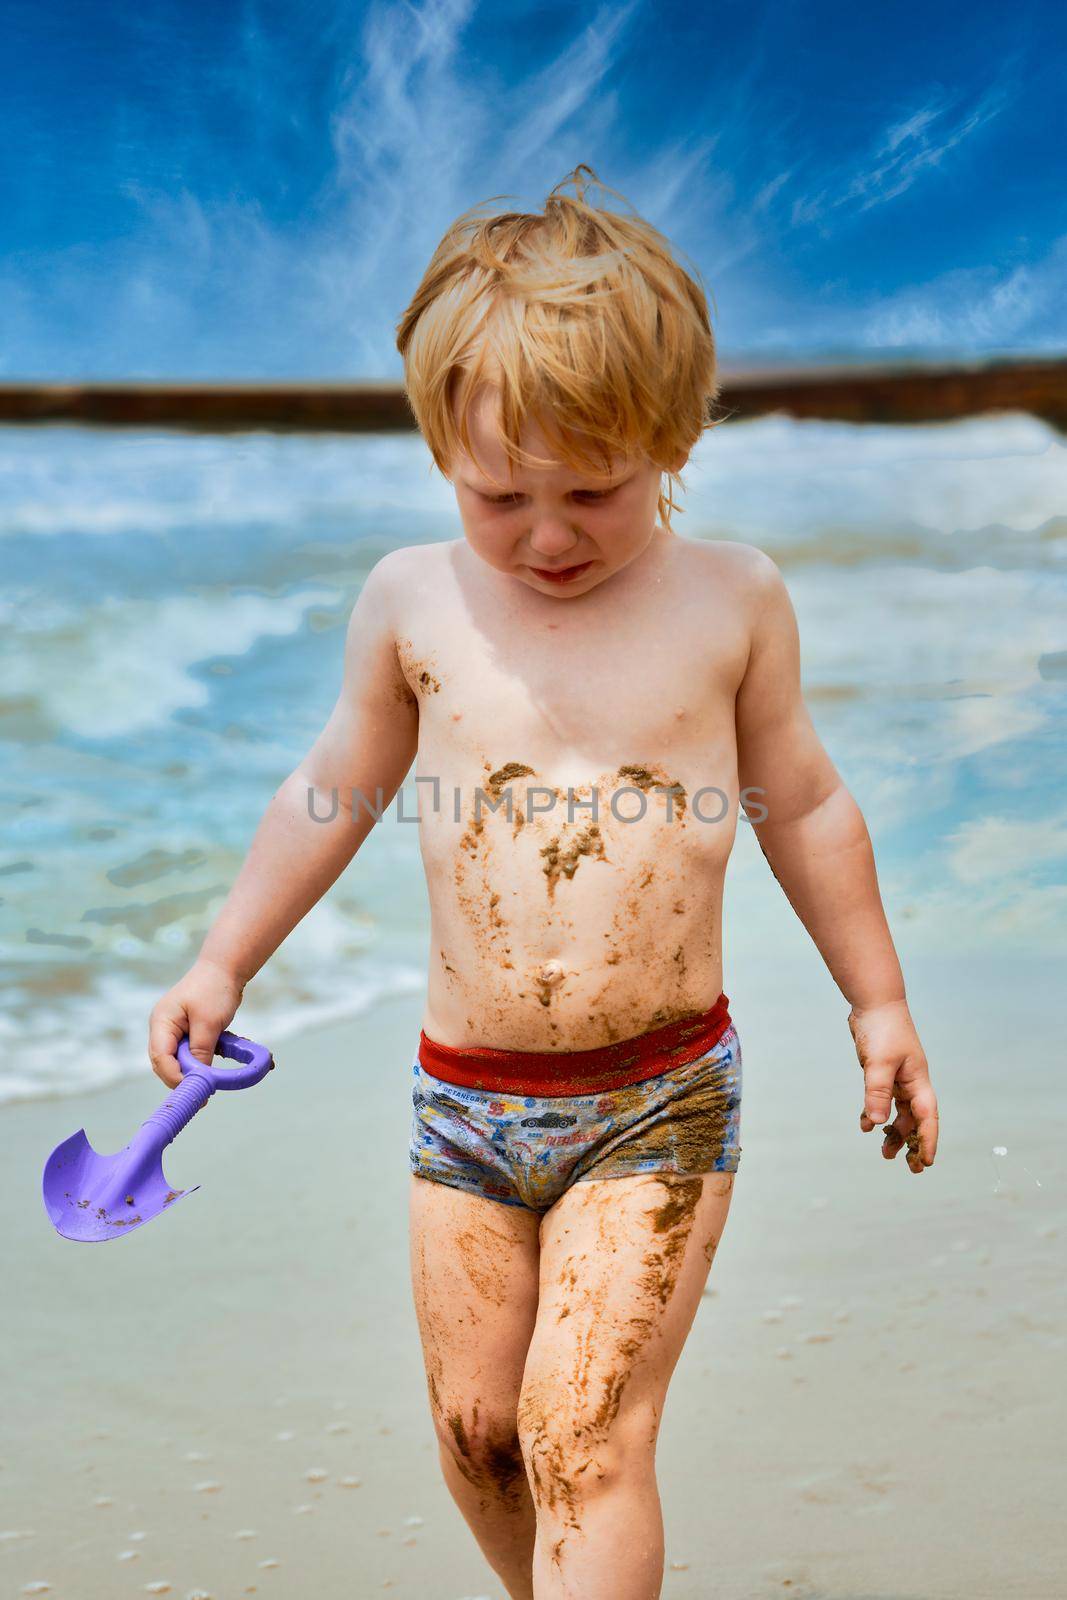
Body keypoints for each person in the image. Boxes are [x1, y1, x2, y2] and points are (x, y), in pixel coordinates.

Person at [149, 164, 939, 1600]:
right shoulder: (412, 600)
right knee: (481, 1437)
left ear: (675, 443)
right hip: (465, 1100)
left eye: (598, 491)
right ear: (442, 450)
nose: (551, 535)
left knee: (586, 1435)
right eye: (501, 494)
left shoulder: (732, 600)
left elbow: (806, 802)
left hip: (656, 1096)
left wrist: (876, 1001)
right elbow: (331, 790)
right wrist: (223, 960)